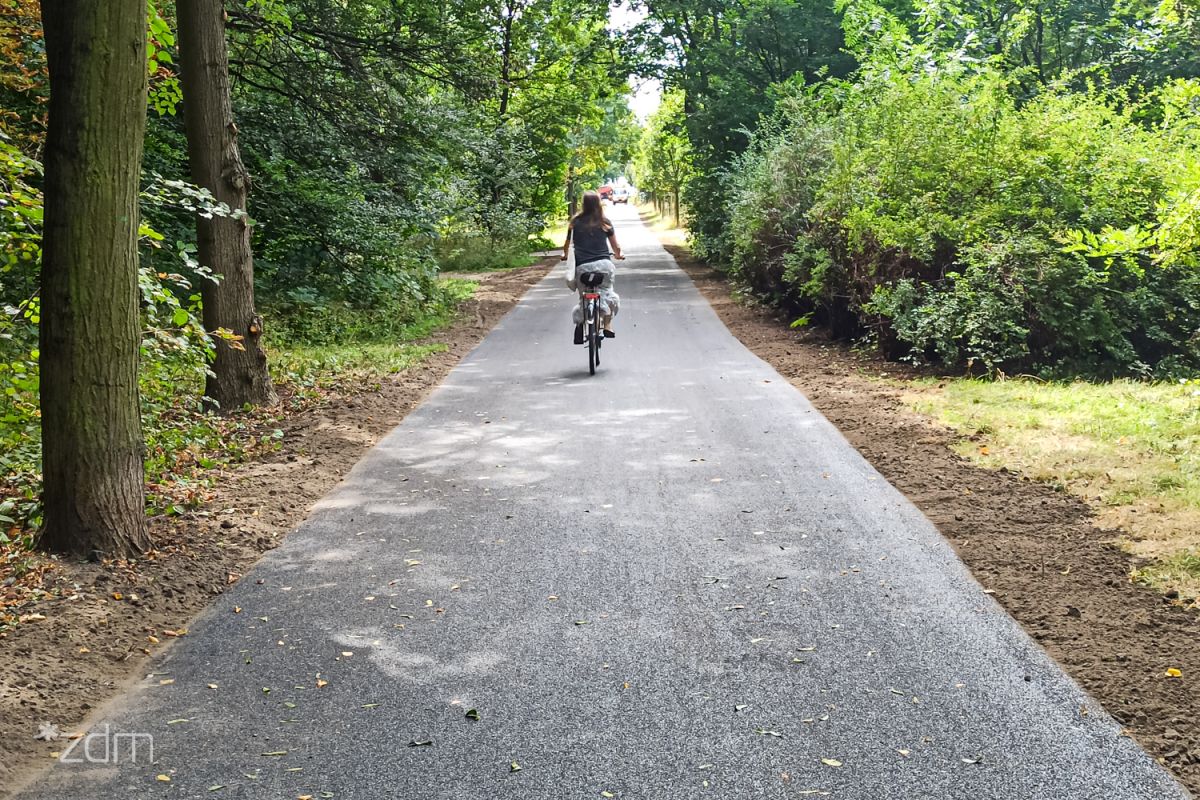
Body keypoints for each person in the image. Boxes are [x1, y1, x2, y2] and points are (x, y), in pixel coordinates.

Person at [562, 190, 624, 344]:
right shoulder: (605, 222)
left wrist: (564, 255)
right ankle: (608, 325)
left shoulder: (574, 222)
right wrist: (618, 254)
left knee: (584, 297)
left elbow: (567, 245)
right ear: (598, 203)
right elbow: (615, 247)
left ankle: (580, 323)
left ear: (583, 204)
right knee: (608, 294)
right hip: (604, 267)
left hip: (583, 268)